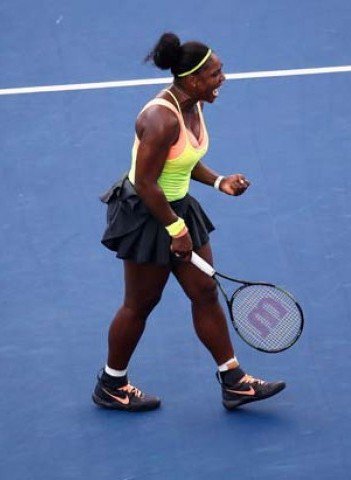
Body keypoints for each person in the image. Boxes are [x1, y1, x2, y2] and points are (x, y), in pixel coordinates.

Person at [92, 32, 285, 412]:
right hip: (147, 215)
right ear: (193, 80)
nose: (222, 79)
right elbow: (145, 182)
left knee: (205, 291)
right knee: (140, 303)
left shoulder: (193, 105)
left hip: (177, 208)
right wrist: (175, 230)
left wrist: (218, 181)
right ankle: (111, 384)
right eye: (215, 74)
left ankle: (233, 381)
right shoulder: (160, 119)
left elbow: (182, 159)